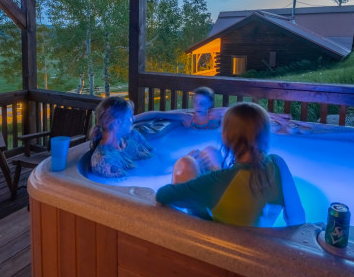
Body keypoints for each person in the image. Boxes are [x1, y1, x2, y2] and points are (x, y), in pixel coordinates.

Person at [155, 102, 305, 227]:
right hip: (264, 246)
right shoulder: (278, 164)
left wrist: (197, 179)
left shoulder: (217, 181)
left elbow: (163, 195)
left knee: (185, 164)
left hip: (220, 244)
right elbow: (297, 219)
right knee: (212, 155)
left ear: (225, 138)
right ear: (265, 135)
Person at [89, 96, 154, 178]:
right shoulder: (105, 161)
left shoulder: (134, 136)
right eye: (129, 117)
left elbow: (154, 154)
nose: (133, 119)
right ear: (117, 122)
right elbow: (127, 184)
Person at [136, 87, 226, 129]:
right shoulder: (188, 119)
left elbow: (238, 110)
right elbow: (156, 114)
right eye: (196, 102)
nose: (198, 106)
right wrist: (133, 119)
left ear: (210, 104)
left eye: (202, 103)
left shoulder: (216, 115)